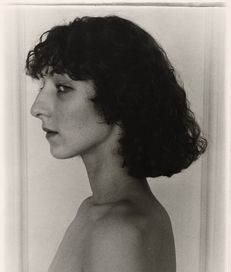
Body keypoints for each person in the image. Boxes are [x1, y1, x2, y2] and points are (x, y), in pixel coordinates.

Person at [26, 15, 207, 272]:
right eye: (42, 87)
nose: (37, 108)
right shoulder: (96, 210)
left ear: (120, 97)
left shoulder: (119, 230)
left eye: (63, 88)